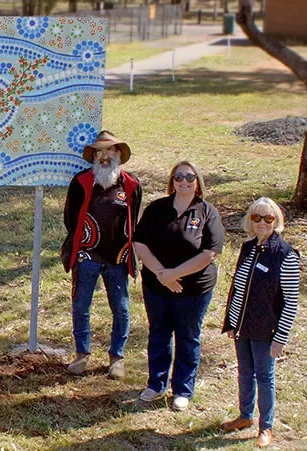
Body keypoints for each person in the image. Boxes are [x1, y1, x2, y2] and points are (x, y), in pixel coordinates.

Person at [133, 161, 225, 411]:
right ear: (172, 180)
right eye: (178, 176)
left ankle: (183, 389)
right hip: (156, 285)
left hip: (194, 290)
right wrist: (163, 274)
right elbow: (139, 243)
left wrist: (175, 274)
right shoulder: (157, 208)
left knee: (187, 336)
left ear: (198, 181)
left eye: (190, 176)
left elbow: (211, 252)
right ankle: (156, 384)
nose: (184, 181)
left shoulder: (207, 211)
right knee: (159, 332)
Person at [60, 130, 142, 379]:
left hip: (118, 258)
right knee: (81, 306)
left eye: (110, 150)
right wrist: (84, 243)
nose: (105, 156)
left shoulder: (131, 184)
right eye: (100, 151)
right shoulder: (81, 182)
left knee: (121, 308)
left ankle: (117, 357)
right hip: (87, 257)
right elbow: (70, 218)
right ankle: (81, 354)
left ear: (118, 154)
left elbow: (134, 220)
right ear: (94, 156)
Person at [220, 198, 300, 448]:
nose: (262, 222)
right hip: (243, 326)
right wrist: (232, 323)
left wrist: (280, 338)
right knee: (244, 372)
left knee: (264, 377)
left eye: (268, 218)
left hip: (267, 330)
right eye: (257, 218)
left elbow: (290, 302)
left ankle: (267, 427)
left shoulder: (285, 254)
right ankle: (245, 416)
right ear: (250, 221)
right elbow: (238, 289)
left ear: (276, 221)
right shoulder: (247, 247)